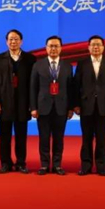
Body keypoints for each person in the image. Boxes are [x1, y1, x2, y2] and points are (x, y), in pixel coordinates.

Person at [0, 29, 37, 174]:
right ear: (6, 42)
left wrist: (32, 104)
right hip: (4, 103)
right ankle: (5, 163)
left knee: (21, 136)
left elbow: (33, 84)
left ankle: (21, 163)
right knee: (4, 136)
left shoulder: (30, 59)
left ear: (21, 41)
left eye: (16, 39)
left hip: (23, 103)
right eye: (10, 39)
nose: (13, 42)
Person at [73, 35, 105, 176]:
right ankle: (85, 166)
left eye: (98, 44)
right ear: (88, 47)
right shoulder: (82, 64)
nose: (96, 47)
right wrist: (76, 104)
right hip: (86, 106)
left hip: (103, 106)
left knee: (101, 138)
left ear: (103, 47)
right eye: (93, 44)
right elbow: (76, 85)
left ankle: (101, 166)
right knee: (86, 138)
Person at [30, 35, 74, 175]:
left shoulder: (67, 66)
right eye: (51, 46)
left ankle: (57, 165)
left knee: (58, 139)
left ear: (61, 48)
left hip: (61, 107)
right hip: (43, 108)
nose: (53, 49)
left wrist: (70, 108)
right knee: (43, 138)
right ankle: (44, 165)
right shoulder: (38, 65)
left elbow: (71, 88)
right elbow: (33, 88)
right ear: (46, 48)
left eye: (56, 46)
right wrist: (33, 107)